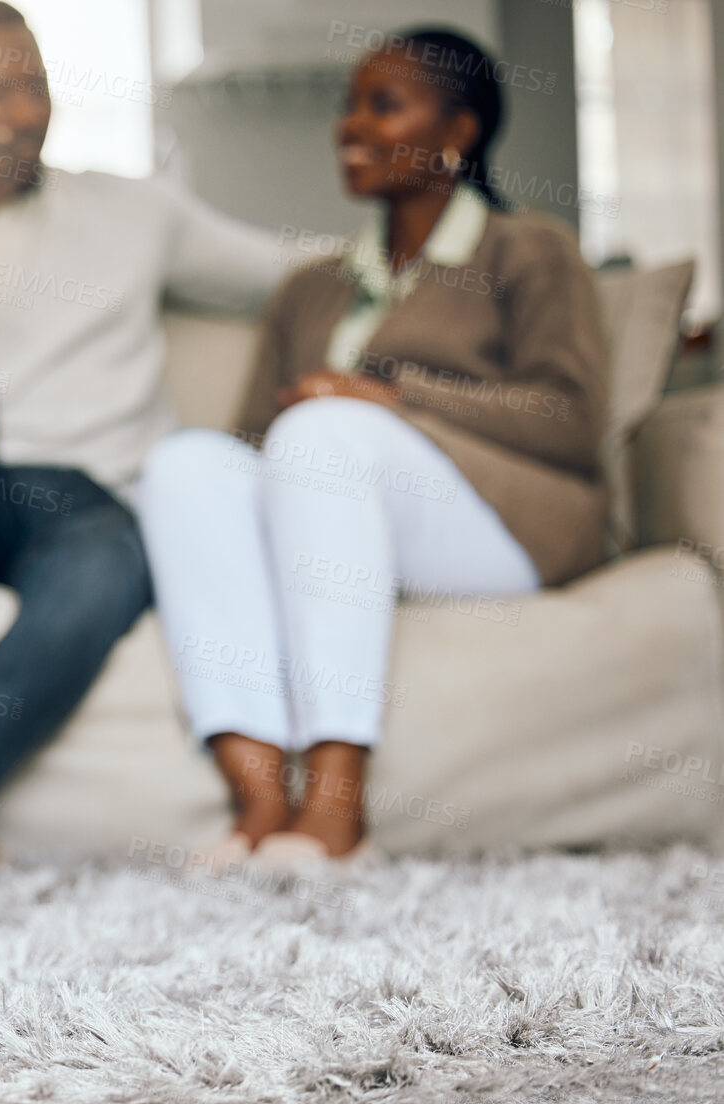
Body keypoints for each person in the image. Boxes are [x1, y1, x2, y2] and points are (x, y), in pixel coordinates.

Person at [0, 0, 286, 874]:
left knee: (116, 545)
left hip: (80, 514)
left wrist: (458, 267)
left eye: (31, 83)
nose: (23, 112)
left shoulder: (136, 212)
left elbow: (289, 274)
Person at [135, 28, 609, 863]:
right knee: (187, 463)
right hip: (338, 495)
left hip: (505, 519)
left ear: (459, 132)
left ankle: (336, 804)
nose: (349, 126)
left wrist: (388, 394)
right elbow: (255, 442)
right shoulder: (311, 287)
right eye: (350, 104)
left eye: (382, 105)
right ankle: (258, 800)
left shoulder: (529, 250)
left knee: (326, 429)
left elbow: (567, 417)